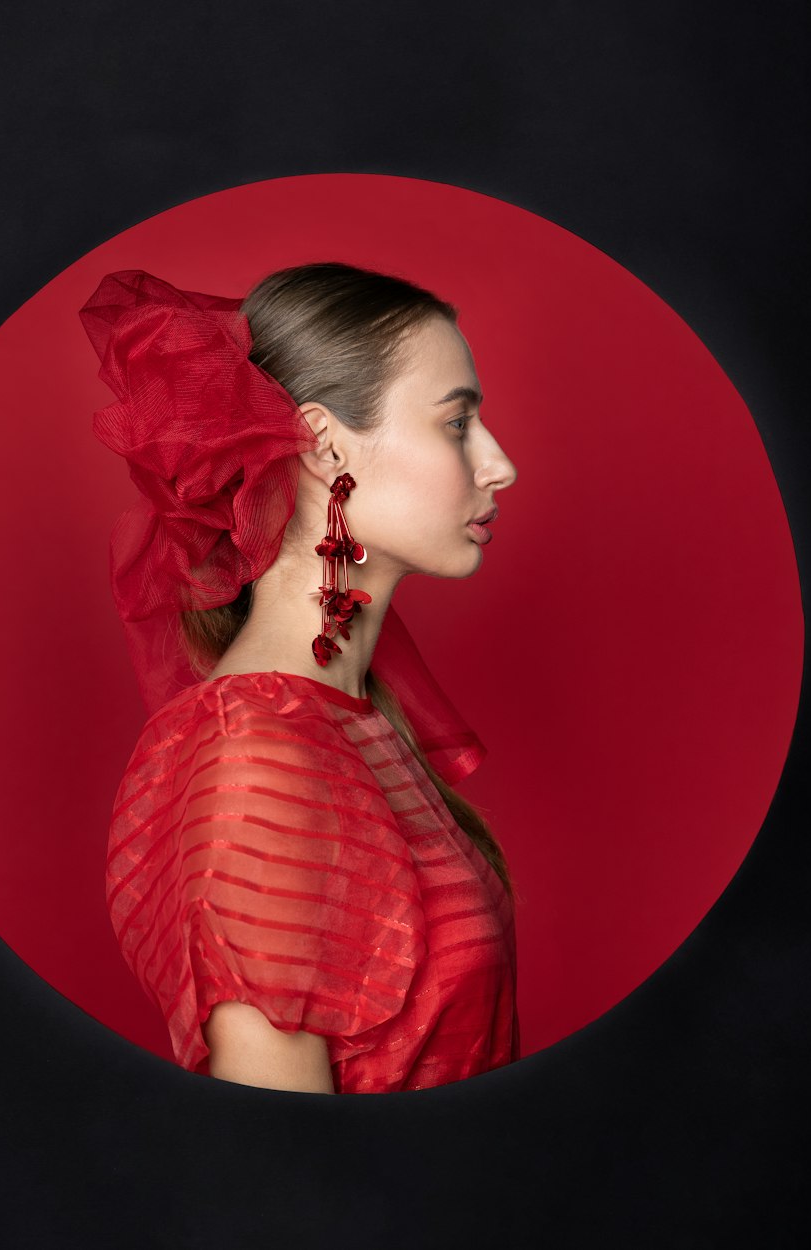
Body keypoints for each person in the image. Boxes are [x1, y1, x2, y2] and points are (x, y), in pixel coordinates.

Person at [80, 261, 519, 1094]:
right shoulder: (257, 759)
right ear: (323, 446)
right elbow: (282, 1181)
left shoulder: (349, 719)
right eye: (457, 424)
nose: (500, 466)